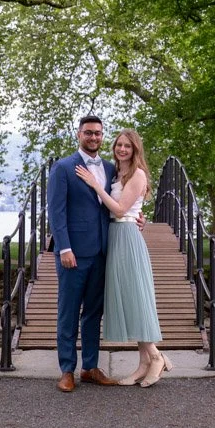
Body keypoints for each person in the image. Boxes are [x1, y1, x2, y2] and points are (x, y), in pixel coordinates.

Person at [75, 128, 170, 387]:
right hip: (115, 237)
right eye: (119, 145)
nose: (122, 149)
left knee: (135, 297)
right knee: (129, 298)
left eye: (128, 146)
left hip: (127, 237)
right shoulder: (116, 173)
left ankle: (156, 356)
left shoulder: (137, 174)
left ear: (135, 149)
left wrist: (94, 184)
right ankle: (143, 364)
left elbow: (119, 210)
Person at [45, 115, 117, 392]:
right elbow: (56, 212)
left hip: (102, 251)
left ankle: (90, 367)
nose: (94, 137)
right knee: (69, 312)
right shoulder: (63, 168)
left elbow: (116, 203)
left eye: (98, 133)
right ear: (79, 134)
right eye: (88, 132)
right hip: (73, 253)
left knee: (93, 313)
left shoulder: (110, 168)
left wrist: (137, 217)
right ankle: (67, 370)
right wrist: (64, 247)